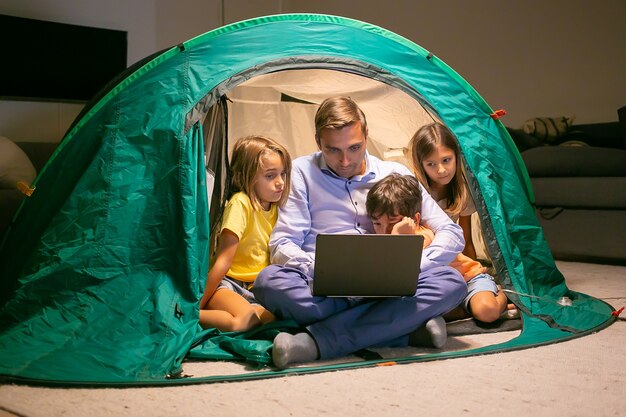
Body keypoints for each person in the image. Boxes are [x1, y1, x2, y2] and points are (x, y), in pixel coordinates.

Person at [252, 96, 467, 369]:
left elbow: (450, 232)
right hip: (322, 288)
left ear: (367, 135)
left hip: (391, 287)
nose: (345, 160)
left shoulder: (394, 172)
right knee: (269, 281)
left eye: (355, 147)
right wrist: (319, 268)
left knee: (451, 282)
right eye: (333, 150)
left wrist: (415, 265)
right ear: (318, 141)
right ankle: (403, 330)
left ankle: (315, 343)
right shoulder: (301, 173)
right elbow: (283, 242)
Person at [365, 173, 512, 323]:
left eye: (393, 223)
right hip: (442, 292)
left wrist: (397, 236)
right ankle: (464, 310)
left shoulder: (423, 237)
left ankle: (504, 295)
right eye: (377, 224)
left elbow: (403, 270)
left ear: (414, 220)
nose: (384, 231)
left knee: (486, 312)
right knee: (413, 312)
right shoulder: (380, 242)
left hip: (468, 278)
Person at [199, 135, 292, 332]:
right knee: (245, 321)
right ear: (246, 176)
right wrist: (199, 301)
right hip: (229, 284)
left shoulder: (278, 208)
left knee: (278, 321)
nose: (280, 182)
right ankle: (188, 315)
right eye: (270, 176)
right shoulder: (241, 204)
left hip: (257, 289)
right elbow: (223, 260)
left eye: (283, 174)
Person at [408, 122, 478, 260]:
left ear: (456, 156)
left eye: (446, 160)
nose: (441, 170)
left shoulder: (462, 193)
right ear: (421, 165)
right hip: (419, 259)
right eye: (431, 164)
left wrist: (476, 273)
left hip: (447, 259)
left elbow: (466, 241)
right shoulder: (413, 192)